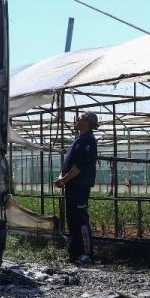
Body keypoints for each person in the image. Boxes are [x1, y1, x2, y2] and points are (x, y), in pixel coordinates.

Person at [54, 112, 98, 265]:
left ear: (87, 122)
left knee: (81, 219)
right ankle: (75, 254)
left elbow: (79, 166)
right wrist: (61, 177)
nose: (77, 121)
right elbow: (68, 163)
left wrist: (64, 180)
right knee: (72, 220)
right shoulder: (78, 140)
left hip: (79, 185)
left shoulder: (89, 141)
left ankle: (87, 254)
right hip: (71, 185)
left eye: (80, 119)